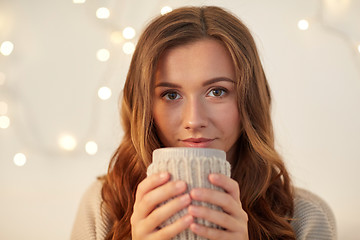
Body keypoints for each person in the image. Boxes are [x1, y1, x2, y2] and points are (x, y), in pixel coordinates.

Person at [71, 6, 337, 240]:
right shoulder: (104, 205)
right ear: (144, 107)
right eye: (170, 95)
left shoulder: (305, 218)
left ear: (249, 100)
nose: (194, 120)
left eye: (217, 91)